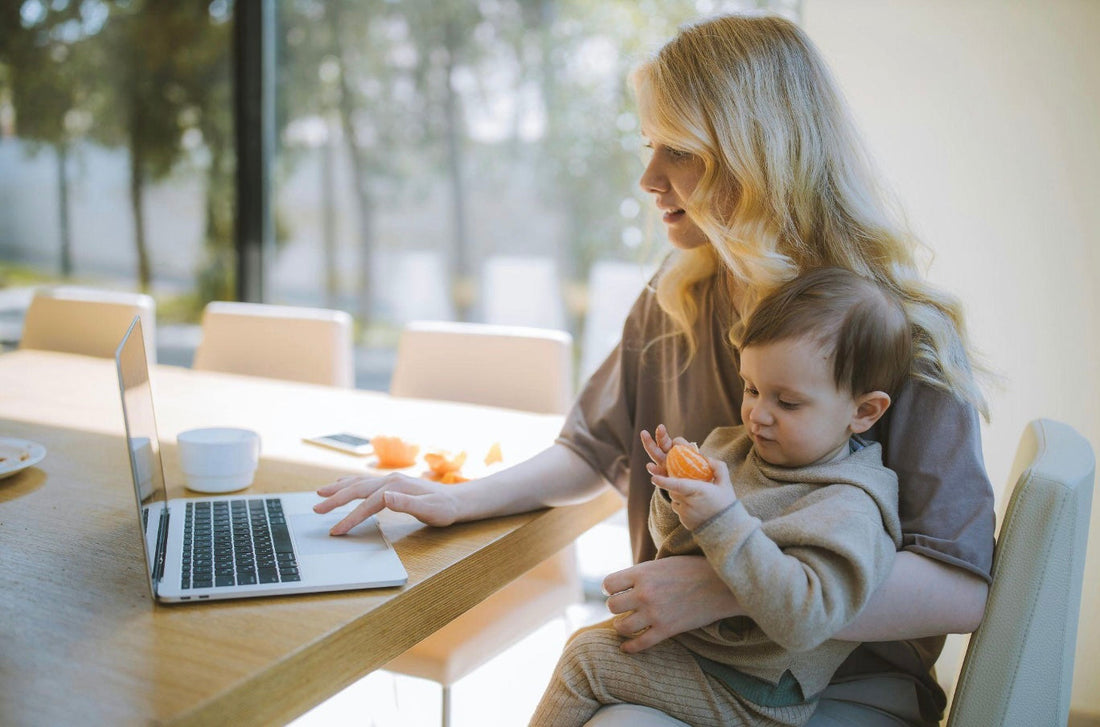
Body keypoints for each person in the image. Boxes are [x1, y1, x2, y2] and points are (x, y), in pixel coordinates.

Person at [313, 13, 994, 726]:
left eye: (680, 151)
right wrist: (459, 499)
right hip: (696, 656)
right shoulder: (677, 294)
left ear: (759, 156)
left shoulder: (898, 333)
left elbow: (959, 587)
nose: (647, 177)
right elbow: (589, 449)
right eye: (648, 146)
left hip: (840, 685)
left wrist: (726, 584)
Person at [529, 267, 910, 727]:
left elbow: (806, 618)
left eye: (787, 403)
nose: (757, 415)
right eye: (751, 389)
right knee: (589, 645)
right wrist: (674, 496)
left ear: (864, 411)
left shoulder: (849, 503)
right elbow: (674, 545)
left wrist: (722, 517)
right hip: (703, 653)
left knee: (587, 659)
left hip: (756, 691)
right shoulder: (736, 448)